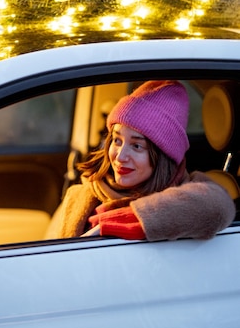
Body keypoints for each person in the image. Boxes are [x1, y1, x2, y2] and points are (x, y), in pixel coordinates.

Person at [47, 80, 236, 241]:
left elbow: (219, 208)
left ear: (162, 155)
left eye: (137, 146)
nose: (120, 157)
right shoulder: (81, 196)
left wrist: (110, 227)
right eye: (117, 140)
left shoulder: (187, 197)